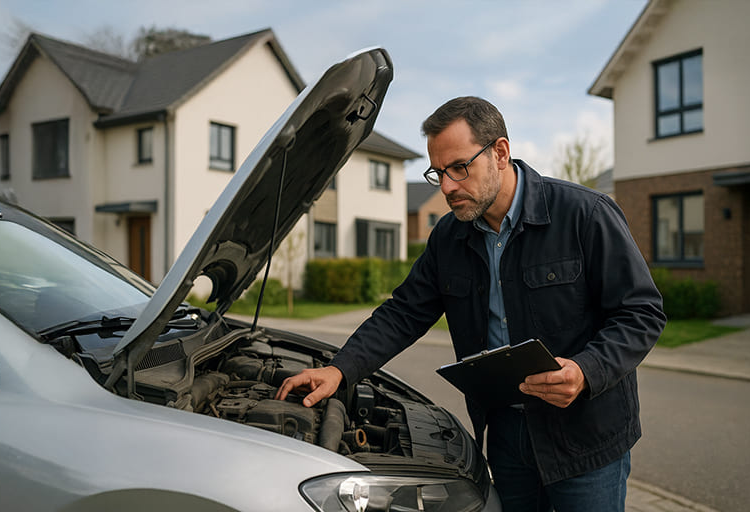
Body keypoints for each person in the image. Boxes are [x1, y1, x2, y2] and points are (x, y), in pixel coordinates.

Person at [277, 96, 665, 511]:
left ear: (500, 152)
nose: (447, 186)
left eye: (459, 168)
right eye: (437, 173)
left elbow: (641, 312)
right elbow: (403, 312)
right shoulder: (449, 237)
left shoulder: (584, 214)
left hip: (585, 436)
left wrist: (586, 371)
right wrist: (340, 369)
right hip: (505, 434)